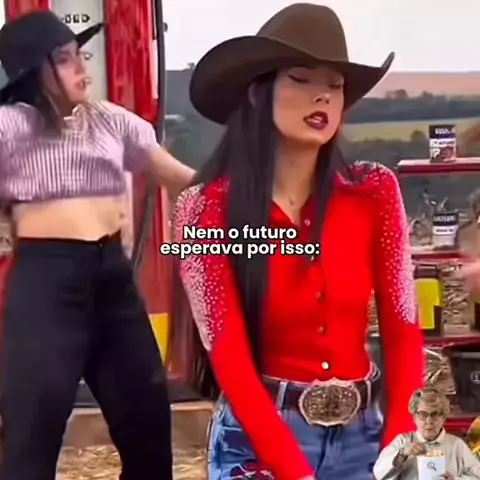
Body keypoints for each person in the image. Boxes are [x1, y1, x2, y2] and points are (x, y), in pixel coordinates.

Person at [171, 3, 424, 480]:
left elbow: (404, 325)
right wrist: (293, 470)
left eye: (335, 85)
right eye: (302, 79)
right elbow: (228, 356)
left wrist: (401, 446)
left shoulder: (374, 190)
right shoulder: (204, 208)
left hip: (366, 438)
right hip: (259, 442)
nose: (322, 96)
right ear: (257, 92)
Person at [0, 10, 194, 480]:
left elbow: (179, 177)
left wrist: (244, 192)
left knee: (149, 430)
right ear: (34, 72)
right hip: (45, 285)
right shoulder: (9, 127)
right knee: (30, 444)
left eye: (80, 55)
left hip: (113, 281)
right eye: (66, 59)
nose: (82, 68)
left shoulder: (109, 119)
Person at [374, 387, 480, 479]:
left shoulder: (457, 445)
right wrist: (403, 454)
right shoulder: (403, 441)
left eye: (435, 414)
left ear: (443, 418)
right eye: (423, 414)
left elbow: (477, 475)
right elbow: (379, 473)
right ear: (415, 417)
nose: (429, 421)